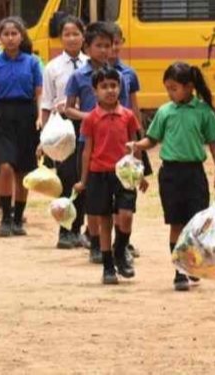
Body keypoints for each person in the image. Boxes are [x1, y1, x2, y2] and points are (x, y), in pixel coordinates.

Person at [129, 62, 215, 292]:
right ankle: (179, 271)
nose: (170, 93)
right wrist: (137, 145)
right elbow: (152, 139)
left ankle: (192, 263)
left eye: (174, 88)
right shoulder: (165, 111)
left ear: (189, 87)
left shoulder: (203, 111)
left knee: (196, 223)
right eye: (168, 89)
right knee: (176, 223)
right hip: (170, 173)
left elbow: (213, 141)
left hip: (194, 172)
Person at [65, 21, 130, 263]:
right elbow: (69, 109)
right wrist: (92, 118)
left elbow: (124, 108)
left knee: (118, 195)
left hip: (115, 144)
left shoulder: (118, 77)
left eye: (108, 45)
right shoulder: (78, 76)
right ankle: (94, 243)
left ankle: (118, 244)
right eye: (99, 46)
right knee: (93, 195)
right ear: (87, 47)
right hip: (89, 140)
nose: (104, 50)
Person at [73, 67, 142, 284]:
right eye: (104, 86)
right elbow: (87, 150)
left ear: (120, 88)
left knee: (126, 216)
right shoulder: (91, 119)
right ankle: (108, 265)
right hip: (98, 174)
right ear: (95, 91)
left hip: (125, 175)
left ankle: (120, 250)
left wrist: (140, 174)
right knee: (104, 220)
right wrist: (83, 180)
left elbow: (135, 146)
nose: (110, 90)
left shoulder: (128, 116)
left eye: (113, 85)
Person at [0, 16, 42, 237]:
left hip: (26, 116)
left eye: (15, 34)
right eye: (6, 34)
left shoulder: (32, 62)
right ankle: (5, 217)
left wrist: (40, 117)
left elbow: (39, 94)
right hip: (1, 116)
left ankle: (17, 218)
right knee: (4, 166)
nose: (11, 38)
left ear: (21, 36)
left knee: (23, 170)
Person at [40, 16, 89, 249]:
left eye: (75, 33)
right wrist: (43, 136)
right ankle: (65, 230)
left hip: (88, 126)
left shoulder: (92, 65)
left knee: (86, 176)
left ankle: (82, 228)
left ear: (83, 35)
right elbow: (47, 103)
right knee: (67, 177)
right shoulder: (52, 68)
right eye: (66, 34)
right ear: (60, 38)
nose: (71, 38)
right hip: (63, 129)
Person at [106, 22, 152, 260]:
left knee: (128, 184)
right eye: (107, 45)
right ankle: (112, 241)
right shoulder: (97, 74)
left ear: (121, 43)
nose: (112, 49)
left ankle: (123, 241)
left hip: (126, 133)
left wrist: (139, 131)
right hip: (106, 135)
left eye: (116, 43)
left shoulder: (129, 73)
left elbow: (134, 104)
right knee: (110, 193)